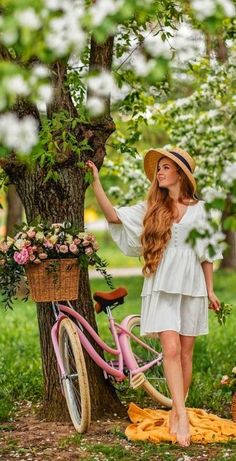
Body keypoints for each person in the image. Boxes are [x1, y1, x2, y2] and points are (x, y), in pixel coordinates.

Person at [86, 146, 222, 447]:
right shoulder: (151, 208)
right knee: (171, 350)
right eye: (158, 167)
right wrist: (96, 181)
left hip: (192, 286)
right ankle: (183, 417)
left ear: (180, 174)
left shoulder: (202, 211)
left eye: (165, 167)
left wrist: (211, 290)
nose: (159, 172)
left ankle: (177, 409)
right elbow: (113, 216)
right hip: (162, 285)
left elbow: (208, 254)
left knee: (186, 353)